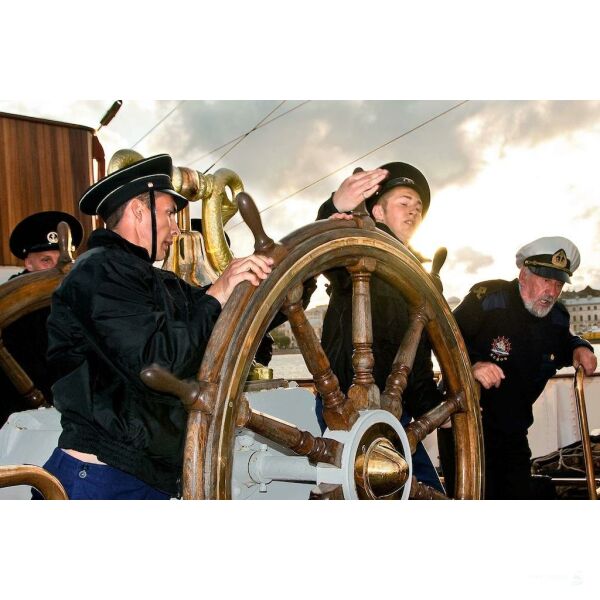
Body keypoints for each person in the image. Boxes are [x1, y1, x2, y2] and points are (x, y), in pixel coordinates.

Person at [36, 154, 273, 500]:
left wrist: (277, 270)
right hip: (102, 479)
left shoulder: (152, 280)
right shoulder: (99, 274)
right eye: (169, 214)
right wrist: (218, 293)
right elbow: (158, 363)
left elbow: (235, 316)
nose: (177, 229)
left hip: (139, 475)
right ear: (137, 209)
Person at [315, 163, 445, 493]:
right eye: (404, 202)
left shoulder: (421, 278)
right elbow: (323, 245)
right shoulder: (355, 253)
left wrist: (449, 405)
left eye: (418, 208)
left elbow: (418, 364)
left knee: (418, 492)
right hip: (346, 407)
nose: (414, 211)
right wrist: (335, 207)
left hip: (392, 412)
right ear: (378, 211)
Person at [438, 237, 597, 499]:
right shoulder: (488, 300)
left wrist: (580, 347)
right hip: (467, 425)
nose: (552, 291)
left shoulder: (556, 316)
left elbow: (564, 341)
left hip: (513, 429)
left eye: (558, 284)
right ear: (524, 274)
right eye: (546, 280)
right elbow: (445, 338)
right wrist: (472, 366)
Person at [0, 211, 83, 425]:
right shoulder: (10, 308)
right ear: (28, 263)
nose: (59, 269)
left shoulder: (80, 297)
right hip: (20, 419)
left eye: (63, 260)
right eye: (47, 260)